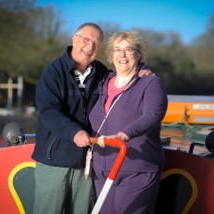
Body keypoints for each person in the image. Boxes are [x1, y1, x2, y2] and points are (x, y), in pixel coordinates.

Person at [31, 23, 151, 214]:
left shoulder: (102, 73)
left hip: (86, 165)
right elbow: (47, 111)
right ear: (74, 39)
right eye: (86, 40)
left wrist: (142, 70)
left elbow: (125, 73)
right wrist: (74, 132)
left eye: (96, 44)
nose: (90, 47)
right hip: (53, 161)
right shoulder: (53, 72)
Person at [89, 31, 168, 214]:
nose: (122, 55)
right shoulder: (102, 82)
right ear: (110, 55)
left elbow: (154, 113)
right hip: (102, 169)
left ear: (138, 54)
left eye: (128, 50)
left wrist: (126, 133)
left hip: (137, 168)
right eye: (117, 50)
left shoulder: (150, 82)